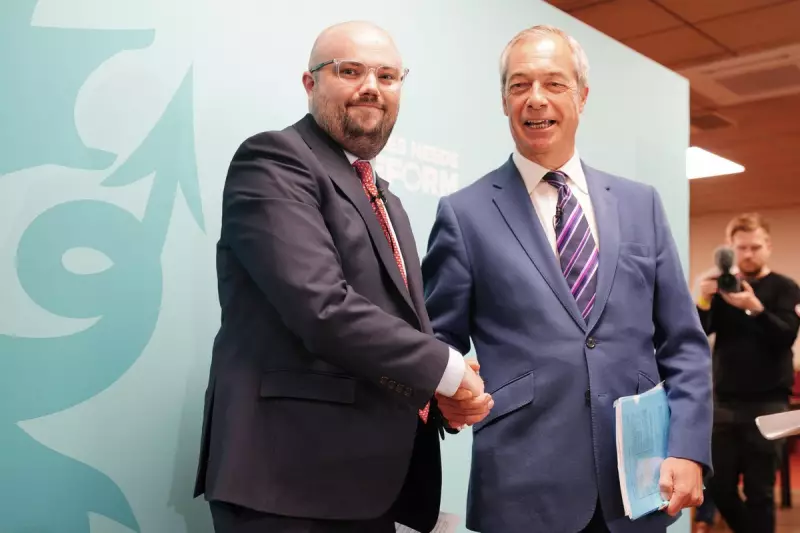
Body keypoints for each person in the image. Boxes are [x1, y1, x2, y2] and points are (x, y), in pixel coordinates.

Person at [192, 20, 487, 533]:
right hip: (285, 484)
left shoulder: (385, 197)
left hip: (364, 489)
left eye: (388, 76)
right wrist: (446, 369)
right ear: (310, 84)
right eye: (350, 71)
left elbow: (398, 330)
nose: (371, 86)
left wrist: (435, 393)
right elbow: (321, 307)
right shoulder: (274, 160)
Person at [422, 25, 712, 533]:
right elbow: (437, 342)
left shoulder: (640, 204)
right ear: (503, 100)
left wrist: (687, 448)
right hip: (521, 488)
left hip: (637, 487)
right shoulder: (463, 214)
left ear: (581, 95)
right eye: (519, 85)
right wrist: (447, 391)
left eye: (554, 83)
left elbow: (684, 345)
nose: (535, 99)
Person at [694, 213, 800, 533]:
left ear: (767, 246)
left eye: (755, 246)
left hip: (769, 402)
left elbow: (785, 336)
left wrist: (754, 308)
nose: (748, 254)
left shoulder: (785, 287)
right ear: (731, 248)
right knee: (717, 487)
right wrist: (703, 299)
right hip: (724, 401)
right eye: (741, 248)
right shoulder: (723, 286)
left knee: (760, 492)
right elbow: (698, 335)